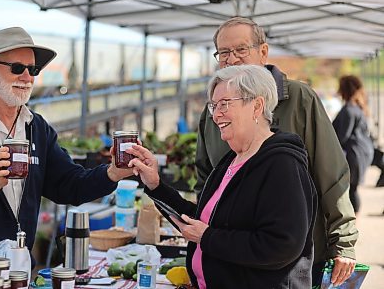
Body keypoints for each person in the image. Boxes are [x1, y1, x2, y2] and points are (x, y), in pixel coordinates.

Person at [0, 27, 132, 261]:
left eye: (33, 69)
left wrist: (112, 173)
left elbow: (69, 184)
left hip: (20, 268)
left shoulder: (36, 127)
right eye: (17, 68)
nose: (27, 77)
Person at [195, 17, 358, 287]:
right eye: (223, 52)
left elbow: (333, 174)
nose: (232, 59)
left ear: (263, 52)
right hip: (230, 256)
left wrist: (343, 243)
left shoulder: (299, 98)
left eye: (241, 50)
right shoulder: (213, 110)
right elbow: (204, 177)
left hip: (290, 261)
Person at [129, 65, 317, 288]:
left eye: (225, 104)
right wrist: (155, 185)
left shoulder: (282, 165)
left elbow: (281, 246)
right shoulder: (231, 161)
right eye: (214, 106)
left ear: (257, 106)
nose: (217, 114)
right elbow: (199, 223)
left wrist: (207, 238)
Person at [332, 75, 374, 216]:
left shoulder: (348, 110)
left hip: (354, 153)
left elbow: (342, 137)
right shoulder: (357, 107)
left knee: (351, 188)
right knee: (352, 188)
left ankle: (355, 220)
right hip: (361, 152)